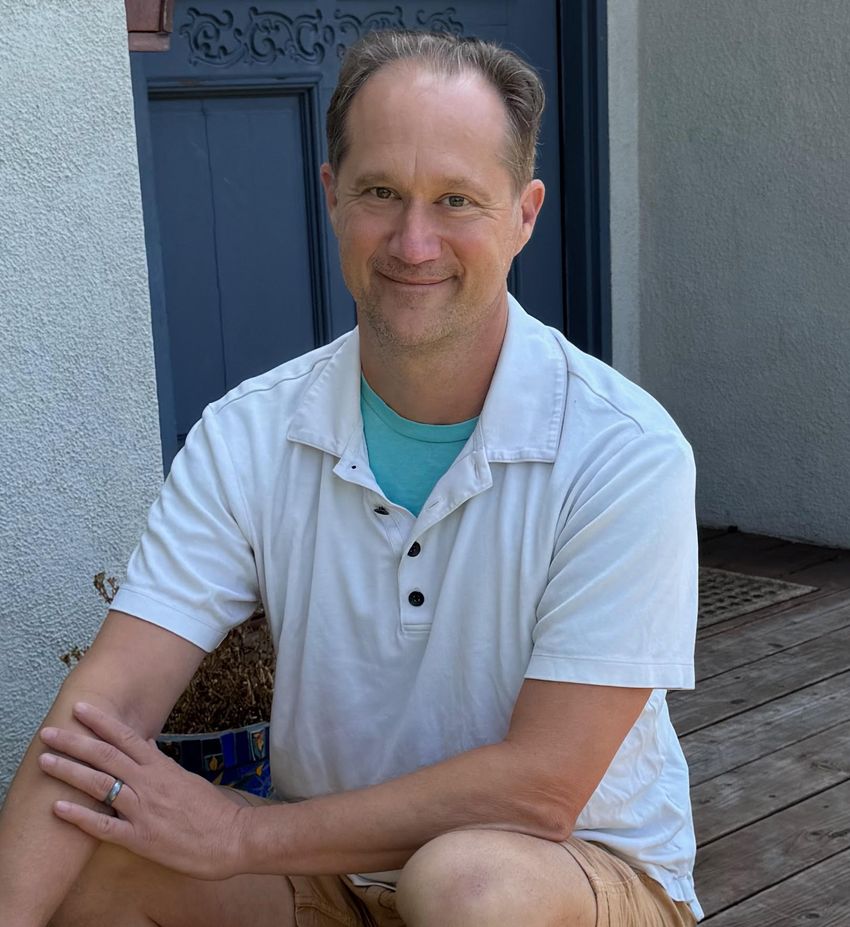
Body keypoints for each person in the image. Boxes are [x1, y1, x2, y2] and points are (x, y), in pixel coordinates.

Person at [0, 30, 701, 927]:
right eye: (380, 192)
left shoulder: (624, 449)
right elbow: (98, 721)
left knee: (466, 889)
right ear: (332, 197)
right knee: (98, 865)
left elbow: (542, 790)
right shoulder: (251, 432)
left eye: (456, 199)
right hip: (328, 869)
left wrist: (241, 836)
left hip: (568, 874)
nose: (414, 241)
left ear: (525, 215)